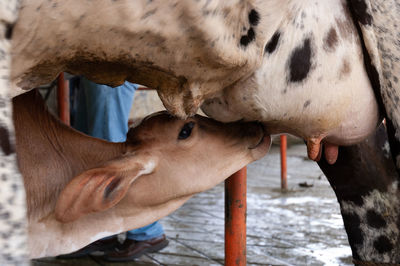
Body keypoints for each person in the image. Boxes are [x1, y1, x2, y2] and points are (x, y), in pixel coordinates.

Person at [63, 76, 168, 261]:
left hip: (107, 67)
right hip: (92, 67)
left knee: (109, 153)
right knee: (90, 148)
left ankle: (147, 230)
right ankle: (103, 232)